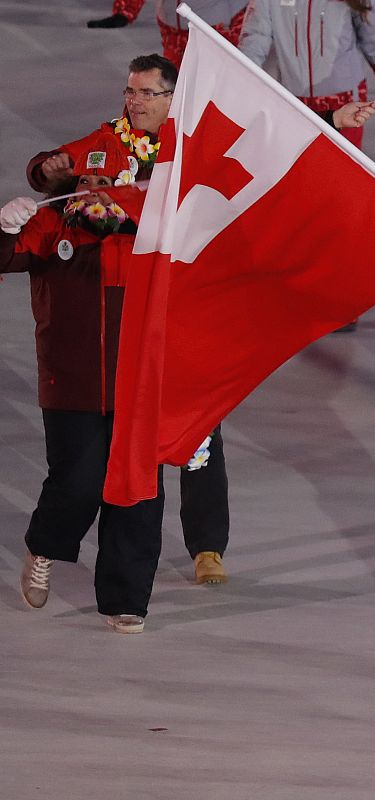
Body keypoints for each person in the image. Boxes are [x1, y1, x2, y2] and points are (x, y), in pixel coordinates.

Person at [23, 54, 375, 585]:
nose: (132, 102)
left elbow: (267, 139)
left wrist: (332, 122)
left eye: (145, 94)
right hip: (130, 311)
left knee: (200, 428)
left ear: (172, 98)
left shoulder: (197, 141)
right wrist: (46, 166)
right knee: (126, 445)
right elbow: (55, 166)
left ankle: (207, 545)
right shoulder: (110, 139)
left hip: (190, 302)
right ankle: (88, 555)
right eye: (129, 91)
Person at [1, 140, 169, 633]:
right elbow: (5, 258)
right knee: (76, 483)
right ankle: (44, 547)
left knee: (137, 492)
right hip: (69, 381)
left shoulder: (147, 235)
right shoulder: (51, 227)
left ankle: (127, 600)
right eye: (85, 184)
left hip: (139, 384)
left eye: (105, 185)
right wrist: (3, 228)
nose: (92, 193)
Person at [238, 0, 375, 149]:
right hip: (294, 102)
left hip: (345, 104)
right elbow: (255, 39)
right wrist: (239, 80)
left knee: (339, 174)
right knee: (298, 171)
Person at [86, 1, 250, 66]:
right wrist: (125, 11)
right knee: (173, 90)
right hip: (172, 25)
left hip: (216, 26)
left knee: (215, 93)